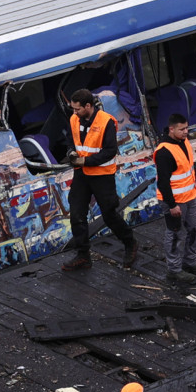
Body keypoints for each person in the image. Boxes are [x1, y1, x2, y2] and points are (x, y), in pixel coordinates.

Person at [62, 88, 140, 271]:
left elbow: (110, 151)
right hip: (82, 174)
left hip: (102, 175)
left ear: (88, 106)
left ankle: (130, 243)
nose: (74, 113)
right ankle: (83, 256)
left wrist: (85, 160)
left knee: (109, 214)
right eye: (73, 109)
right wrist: (71, 152)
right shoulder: (74, 119)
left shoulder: (106, 122)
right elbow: (71, 141)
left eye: (77, 109)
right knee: (76, 214)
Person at [154, 113, 196, 285]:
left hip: (190, 197)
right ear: (171, 129)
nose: (186, 132)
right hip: (175, 201)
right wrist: (172, 205)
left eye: (187, 128)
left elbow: (190, 167)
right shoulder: (164, 152)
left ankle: (189, 262)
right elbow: (163, 182)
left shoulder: (184, 142)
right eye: (182, 129)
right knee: (175, 234)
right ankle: (174, 270)